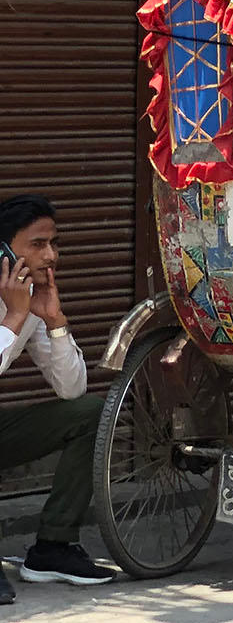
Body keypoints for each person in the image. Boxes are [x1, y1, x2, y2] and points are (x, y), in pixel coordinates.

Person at [0, 196, 114, 594]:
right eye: (36, 245)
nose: (50, 256)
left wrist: (54, 323)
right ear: (4, 251)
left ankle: (53, 546)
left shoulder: (30, 297)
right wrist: (13, 318)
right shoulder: (16, 305)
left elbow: (72, 390)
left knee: (91, 413)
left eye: (53, 243)